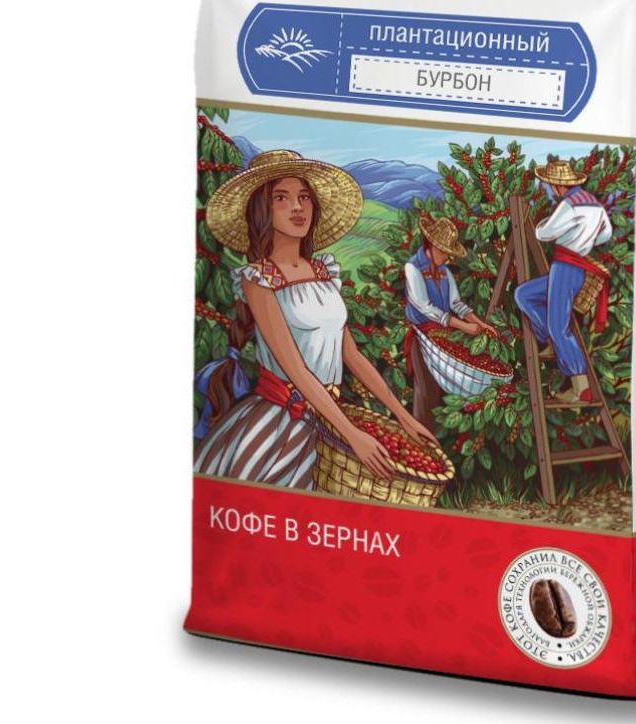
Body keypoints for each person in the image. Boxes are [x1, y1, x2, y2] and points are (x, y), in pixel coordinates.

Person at [194, 148, 440, 488]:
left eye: (304, 197)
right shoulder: (259, 280)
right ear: (262, 210)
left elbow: (351, 354)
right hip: (279, 423)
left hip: (323, 419)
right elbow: (296, 370)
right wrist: (351, 434)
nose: (298, 207)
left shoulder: (324, 272)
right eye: (282, 198)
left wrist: (402, 416)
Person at [514, 156, 613, 404]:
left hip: (565, 267)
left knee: (559, 326)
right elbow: (606, 235)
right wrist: (584, 238)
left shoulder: (569, 204)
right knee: (524, 294)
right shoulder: (594, 204)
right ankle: (550, 340)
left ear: (559, 185)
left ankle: (581, 388)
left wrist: (546, 225)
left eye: (551, 185)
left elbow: (544, 233)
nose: (551, 189)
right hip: (577, 268)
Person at [402, 214, 501, 432]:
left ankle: (436, 439)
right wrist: (464, 327)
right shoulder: (413, 268)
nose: (447, 257)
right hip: (422, 337)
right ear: (433, 246)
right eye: (445, 252)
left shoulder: (445, 272)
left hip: (444, 337)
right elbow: (426, 308)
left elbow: (456, 303)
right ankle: (421, 438)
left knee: (444, 392)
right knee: (426, 392)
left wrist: (480, 324)